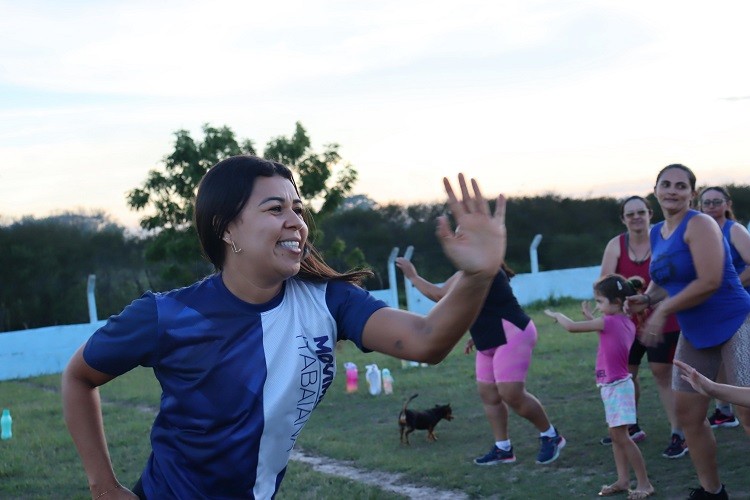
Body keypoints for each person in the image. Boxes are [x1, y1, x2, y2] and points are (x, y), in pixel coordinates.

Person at [61, 155, 507, 500]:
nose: (296, 221)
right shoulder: (167, 316)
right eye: (275, 209)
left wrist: (478, 275)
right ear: (226, 229)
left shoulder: (328, 300)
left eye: (298, 208)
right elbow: (79, 377)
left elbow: (428, 342)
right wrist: (103, 486)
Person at [627, 164, 750, 500]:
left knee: (747, 410)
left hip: (734, 321)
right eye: (665, 184)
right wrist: (647, 298)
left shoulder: (701, 224)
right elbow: (666, 278)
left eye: (681, 186)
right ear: (655, 189)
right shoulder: (656, 232)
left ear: (691, 194)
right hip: (695, 330)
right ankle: (713, 491)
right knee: (689, 414)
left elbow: (709, 281)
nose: (672, 191)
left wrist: (664, 309)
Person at [395, 258, 565, 466]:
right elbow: (480, 306)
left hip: (512, 332)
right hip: (488, 339)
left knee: (510, 393)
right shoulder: (464, 273)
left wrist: (413, 276)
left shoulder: (485, 268)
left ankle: (550, 435)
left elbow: (441, 296)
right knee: (489, 395)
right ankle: (503, 449)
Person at [545, 274, 654, 500]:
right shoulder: (622, 321)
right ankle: (623, 480)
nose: (597, 306)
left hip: (617, 386)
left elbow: (572, 328)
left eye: (600, 302)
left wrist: (558, 315)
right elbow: (609, 339)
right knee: (616, 435)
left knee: (622, 436)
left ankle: (644, 483)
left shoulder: (611, 321)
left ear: (616, 302)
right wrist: (590, 317)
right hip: (613, 385)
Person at [599, 195, 686, 458]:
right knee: (625, 374)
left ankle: (678, 433)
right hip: (626, 323)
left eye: (641, 212)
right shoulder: (616, 245)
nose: (636, 217)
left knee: (662, 373)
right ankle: (630, 425)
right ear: (623, 219)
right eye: (630, 214)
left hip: (664, 316)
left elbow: (677, 278)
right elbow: (604, 282)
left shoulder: (663, 238)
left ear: (650, 213)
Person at [699, 186, 750, 429]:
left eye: (716, 201)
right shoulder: (700, 233)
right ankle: (724, 410)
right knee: (719, 358)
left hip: (740, 307)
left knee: (742, 361)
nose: (711, 206)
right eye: (706, 202)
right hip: (713, 308)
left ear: (727, 204)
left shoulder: (734, 230)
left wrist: (732, 286)